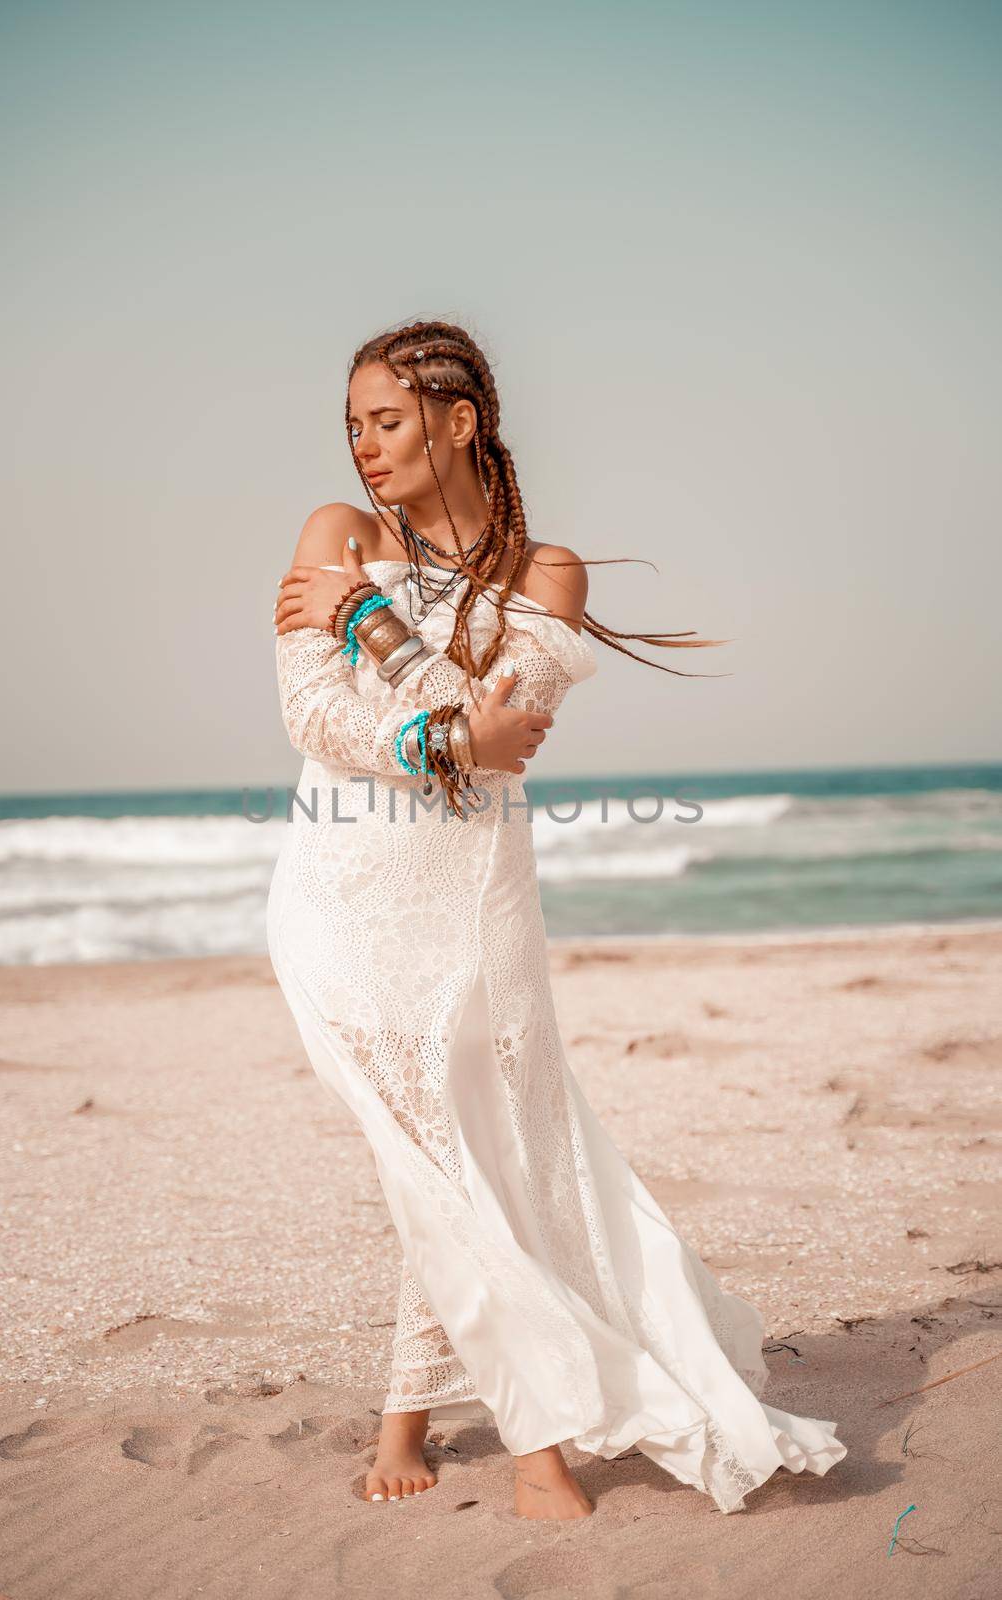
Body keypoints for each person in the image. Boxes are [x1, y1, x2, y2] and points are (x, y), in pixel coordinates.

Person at [267, 319, 847, 1520]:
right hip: (338, 902)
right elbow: (318, 727)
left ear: (459, 419)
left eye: (385, 419)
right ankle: (534, 1438)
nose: (364, 449)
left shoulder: (546, 577)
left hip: (475, 906)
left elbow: (497, 742)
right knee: (425, 1156)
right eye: (353, 426)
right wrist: (438, 724)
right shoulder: (337, 533)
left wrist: (363, 625)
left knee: (481, 1159)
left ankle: (413, 1415)